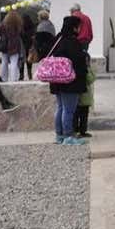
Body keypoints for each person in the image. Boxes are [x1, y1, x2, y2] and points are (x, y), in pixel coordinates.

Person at [50, 16, 89, 145]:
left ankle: (59, 135)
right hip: (70, 82)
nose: (79, 29)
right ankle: (68, 136)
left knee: (61, 108)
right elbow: (78, 62)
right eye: (78, 27)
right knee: (68, 110)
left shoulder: (58, 39)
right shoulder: (73, 42)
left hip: (56, 80)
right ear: (74, 27)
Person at [74, 55, 95, 138]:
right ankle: (79, 130)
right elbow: (91, 79)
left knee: (81, 115)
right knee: (80, 115)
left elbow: (92, 78)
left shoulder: (83, 69)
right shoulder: (84, 69)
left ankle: (80, 131)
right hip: (83, 97)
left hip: (83, 97)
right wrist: (88, 70)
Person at [0, 11, 23, 82]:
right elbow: (21, 34)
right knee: (14, 62)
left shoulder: (3, 25)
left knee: (4, 62)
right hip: (15, 44)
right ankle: (13, 79)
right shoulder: (18, 24)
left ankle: (3, 78)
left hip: (5, 44)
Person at [20, 13, 36, 80]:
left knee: (22, 61)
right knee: (29, 61)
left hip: (22, 46)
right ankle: (30, 75)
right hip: (29, 46)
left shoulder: (21, 27)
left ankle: (21, 75)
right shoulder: (32, 27)